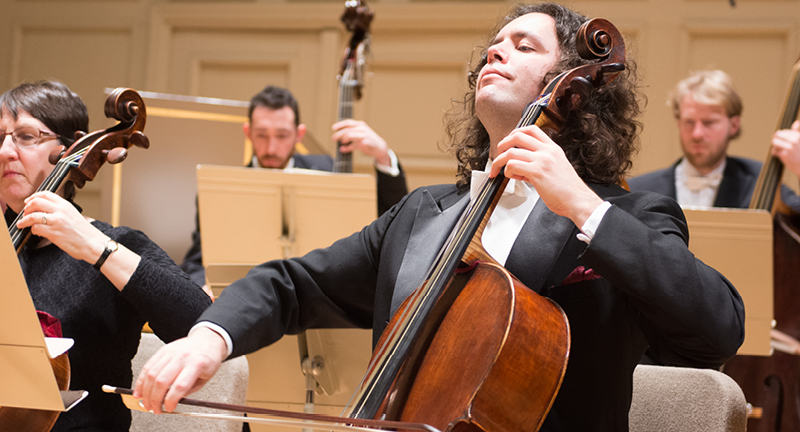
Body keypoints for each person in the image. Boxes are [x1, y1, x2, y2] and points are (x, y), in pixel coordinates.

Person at [134, 3, 745, 431]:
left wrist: (581, 204)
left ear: (571, 85)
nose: (495, 51)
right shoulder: (421, 215)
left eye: (523, 45)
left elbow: (717, 326)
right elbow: (293, 283)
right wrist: (210, 338)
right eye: (493, 46)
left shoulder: (624, 214)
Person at [0, 80, 212, 432]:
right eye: (0, 137)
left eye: (25, 137)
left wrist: (96, 248)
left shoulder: (114, 244)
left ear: (71, 148)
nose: (6, 151)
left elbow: (200, 323)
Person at [180, 85, 408, 287]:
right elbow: (196, 261)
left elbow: (389, 221)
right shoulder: (223, 190)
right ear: (247, 133)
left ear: (299, 135)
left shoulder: (327, 171)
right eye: (261, 135)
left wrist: (382, 155)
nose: (271, 147)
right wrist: (203, 286)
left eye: (282, 135)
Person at [628, 69, 800, 209]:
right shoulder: (638, 190)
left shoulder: (760, 183)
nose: (697, 134)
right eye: (689, 122)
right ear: (678, 123)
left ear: (734, 125)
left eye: (709, 122)